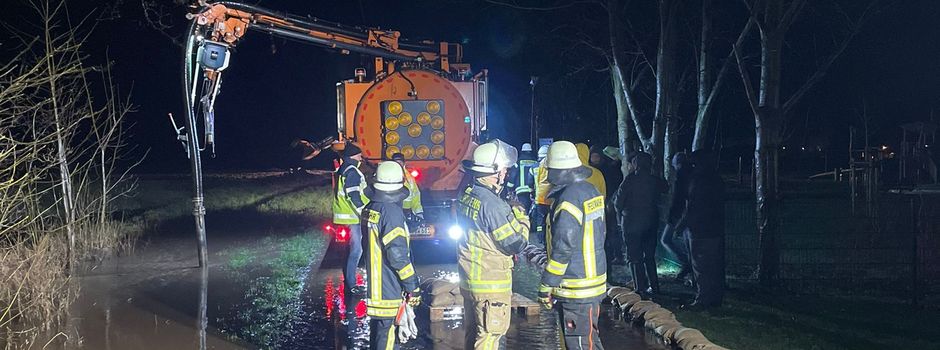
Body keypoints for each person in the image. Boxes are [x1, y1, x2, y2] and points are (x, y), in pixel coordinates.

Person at [456, 139, 530, 350]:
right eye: (503, 169)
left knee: (474, 334)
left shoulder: (468, 194)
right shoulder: (493, 205)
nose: (506, 173)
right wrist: (521, 218)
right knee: (489, 336)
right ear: (494, 172)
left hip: (471, 280)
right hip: (490, 283)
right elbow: (515, 244)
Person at [538, 141, 607, 350]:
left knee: (579, 343)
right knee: (590, 341)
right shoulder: (590, 191)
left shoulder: (568, 199)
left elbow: (563, 248)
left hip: (576, 286)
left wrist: (547, 284)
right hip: (593, 281)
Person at [362, 161, 421, 349]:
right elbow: (397, 255)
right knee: (387, 338)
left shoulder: (372, 207)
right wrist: (412, 285)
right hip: (389, 288)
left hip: (377, 287)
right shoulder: (391, 213)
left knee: (378, 336)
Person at [612, 152, 667, 299]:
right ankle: (654, 286)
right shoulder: (654, 180)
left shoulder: (630, 180)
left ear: (635, 165)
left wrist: (620, 216)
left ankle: (640, 288)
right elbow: (665, 188)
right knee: (649, 256)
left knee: (634, 257)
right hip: (651, 223)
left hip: (631, 224)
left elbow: (618, 202)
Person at [679, 150, 726, 309]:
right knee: (714, 265)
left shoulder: (697, 180)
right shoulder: (716, 179)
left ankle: (702, 299)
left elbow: (692, 205)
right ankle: (715, 298)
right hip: (715, 228)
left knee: (700, 266)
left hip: (700, 229)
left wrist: (683, 223)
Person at [333, 143, 369, 293]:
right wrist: (364, 212)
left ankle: (350, 282)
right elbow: (353, 195)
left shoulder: (344, 169)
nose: (361, 158)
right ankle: (352, 285)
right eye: (359, 155)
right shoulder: (352, 171)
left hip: (346, 216)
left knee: (353, 250)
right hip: (353, 217)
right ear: (354, 156)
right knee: (356, 251)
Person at [663, 152, 694, 283]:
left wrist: (673, 217)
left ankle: (686, 264)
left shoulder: (681, 178)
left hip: (679, 215)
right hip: (687, 215)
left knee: (666, 239)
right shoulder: (692, 175)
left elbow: (678, 200)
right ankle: (690, 269)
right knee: (688, 244)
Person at [391, 153, 423, 221]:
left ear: (404, 163)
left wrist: (418, 212)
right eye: (396, 163)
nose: (398, 165)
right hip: (391, 210)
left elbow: (416, 195)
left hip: (406, 212)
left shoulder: (409, 178)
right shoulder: (387, 176)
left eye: (400, 162)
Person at [531, 145, 552, 244]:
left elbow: (533, 181)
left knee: (540, 220)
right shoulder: (553, 165)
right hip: (551, 198)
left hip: (539, 197)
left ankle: (540, 239)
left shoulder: (536, 166)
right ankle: (549, 239)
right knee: (550, 220)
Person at [516, 143, 538, 211]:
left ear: (522, 151)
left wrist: (509, 187)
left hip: (521, 190)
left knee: (523, 209)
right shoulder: (535, 162)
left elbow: (513, 174)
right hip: (533, 191)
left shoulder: (518, 162)